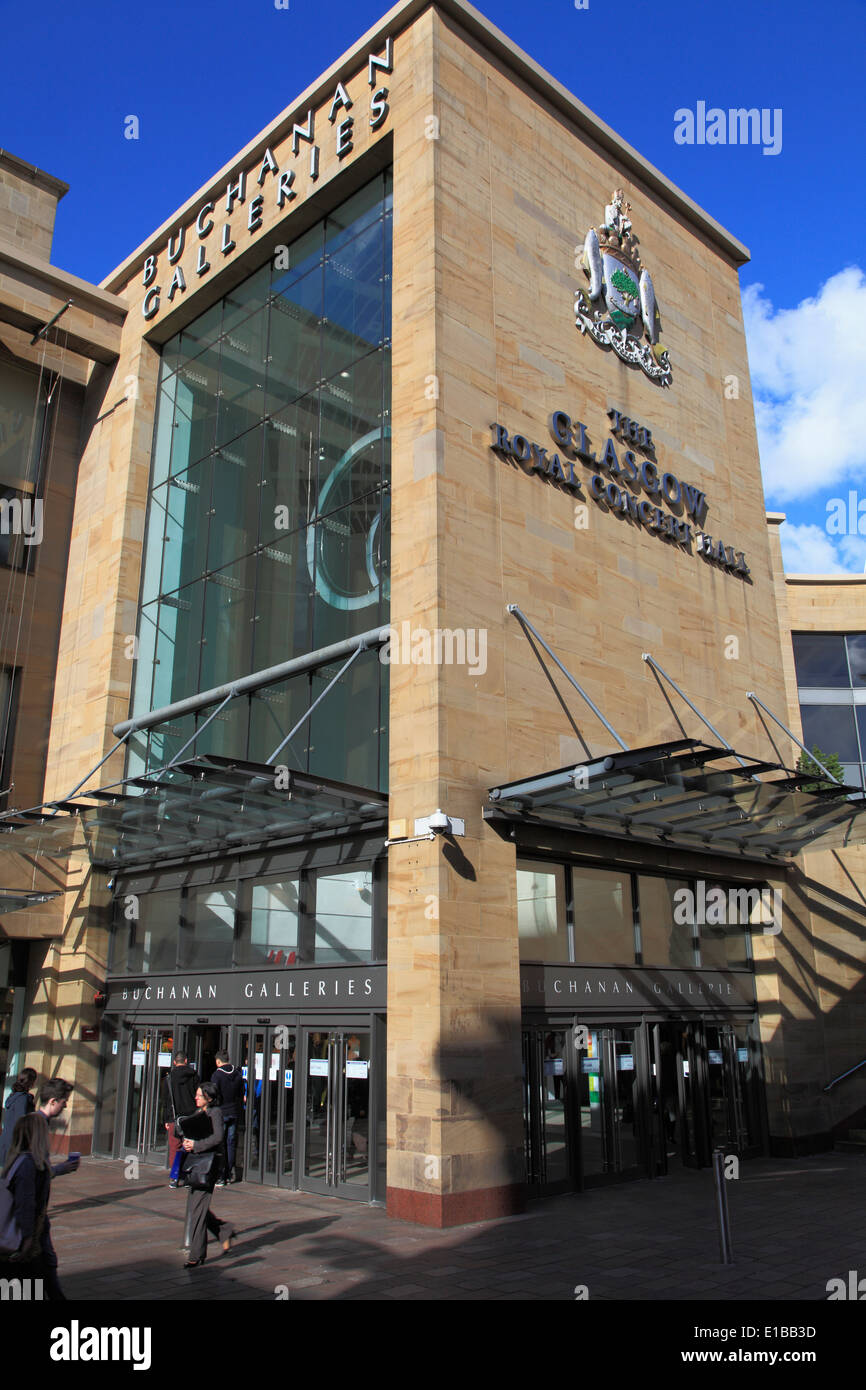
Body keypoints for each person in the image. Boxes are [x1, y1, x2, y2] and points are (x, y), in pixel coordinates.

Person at [0, 1112, 66, 1299]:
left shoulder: (17, 1160)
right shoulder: (28, 1165)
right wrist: (27, 1238)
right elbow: (25, 1203)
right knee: (28, 1287)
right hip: (21, 1242)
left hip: (16, 1240)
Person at [34, 1078, 80, 1299]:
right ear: (53, 1101)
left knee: (45, 1261)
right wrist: (60, 1169)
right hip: (34, 1210)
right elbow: (34, 1170)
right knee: (45, 1260)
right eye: (64, 1101)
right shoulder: (37, 1126)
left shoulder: (37, 1123)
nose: (66, 1105)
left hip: (37, 1209)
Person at [181, 1082, 234, 1268]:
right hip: (197, 1163)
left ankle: (196, 1254)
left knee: (197, 1208)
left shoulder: (215, 1112)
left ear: (209, 1098)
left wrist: (196, 1145)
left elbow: (218, 1137)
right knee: (196, 1206)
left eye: (199, 1095)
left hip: (208, 1166)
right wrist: (188, 1142)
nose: (196, 1098)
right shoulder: (199, 1112)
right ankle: (223, 1230)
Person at [163, 1051, 200, 1188]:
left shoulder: (169, 1078)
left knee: (175, 1147)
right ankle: (187, 1177)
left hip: (174, 1117)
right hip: (191, 1117)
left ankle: (175, 1177)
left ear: (174, 1062)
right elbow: (198, 1095)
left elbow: (166, 1100)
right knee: (189, 1146)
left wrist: (166, 1119)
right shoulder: (194, 1076)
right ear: (186, 1061)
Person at [210, 1053, 243, 1184]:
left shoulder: (217, 1075)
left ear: (218, 1061)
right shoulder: (237, 1074)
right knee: (231, 1143)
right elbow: (241, 1093)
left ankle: (221, 1174)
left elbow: (213, 1094)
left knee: (220, 1143)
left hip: (221, 1112)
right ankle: (230, 1171)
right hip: (233, 1111)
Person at [0, 1067, 37, 1167]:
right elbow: (22, 1122)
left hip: (6, 1141)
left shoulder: (13, 1096)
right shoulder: (23, 1099)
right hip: (15, 1144)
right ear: (31, 1082)